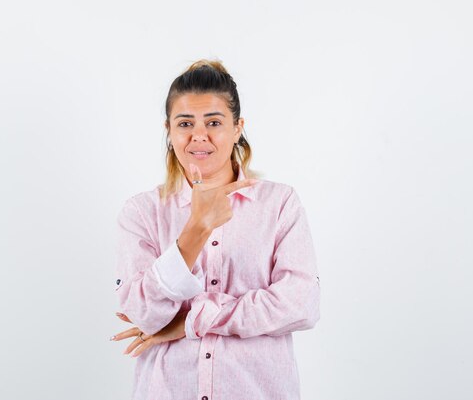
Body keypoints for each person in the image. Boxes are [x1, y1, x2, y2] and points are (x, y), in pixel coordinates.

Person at [109, 59, 321, 400]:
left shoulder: (280, 204)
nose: (199, 135)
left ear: (237, 128)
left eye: (214, 122)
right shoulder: (142, 213)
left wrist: (188, 322)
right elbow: (144, 315)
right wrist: (196, 228)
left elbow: (301, 304)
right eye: (185, 123)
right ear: (169, 129)